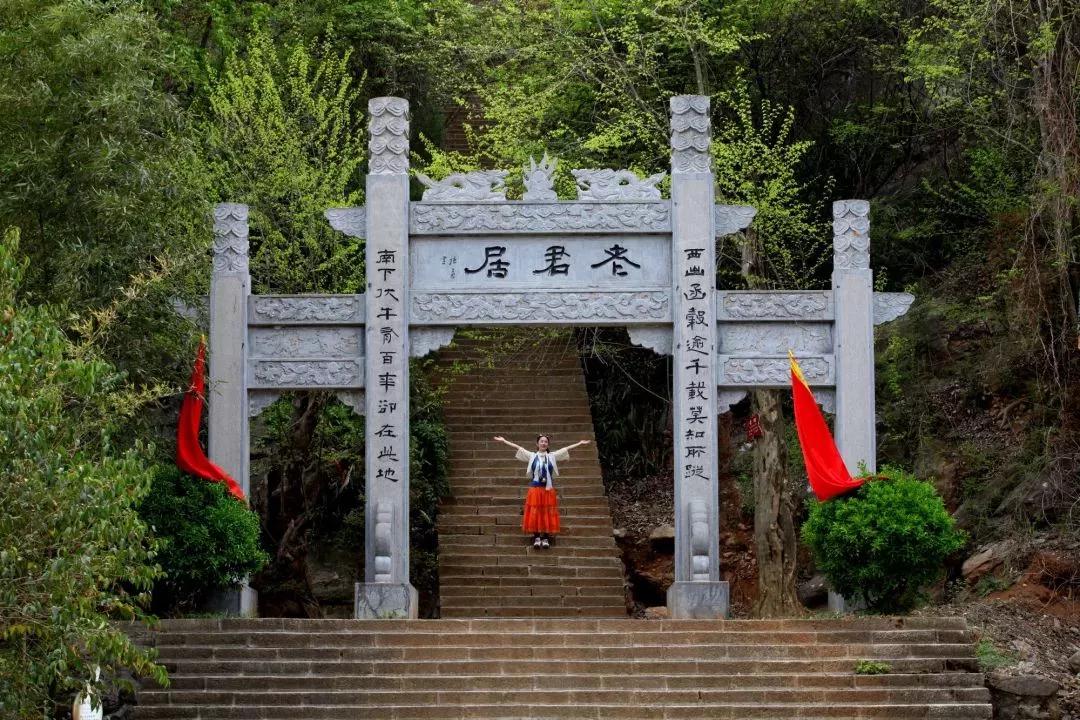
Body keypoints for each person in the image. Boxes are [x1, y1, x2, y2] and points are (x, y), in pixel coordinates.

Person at [492, 434, 591, 549]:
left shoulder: (552, 456)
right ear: (537, 444)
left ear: (548, 444)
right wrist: (504, 441)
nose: (543, 443)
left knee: (547, 512)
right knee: (536, 512)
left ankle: (546, 537)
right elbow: (519, 448)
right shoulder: (532, 456)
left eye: (546, 442)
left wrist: (579, 443)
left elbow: (565, 449)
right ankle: (537, 537)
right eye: (541, 441)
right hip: (535, 489)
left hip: (547, 489)